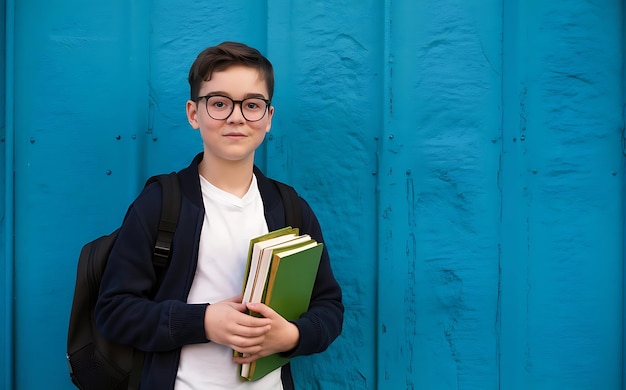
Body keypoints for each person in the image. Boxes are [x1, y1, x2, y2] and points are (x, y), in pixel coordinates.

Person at [95, 41, 344, 389]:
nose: (236, 116)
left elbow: (329, 308)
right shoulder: (161, 203)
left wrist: (291, 335)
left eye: (252, 105)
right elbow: (114, 311)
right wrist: (204, 321)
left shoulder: (290, 208)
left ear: (268, 118)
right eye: (219, 103)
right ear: (194, 114)